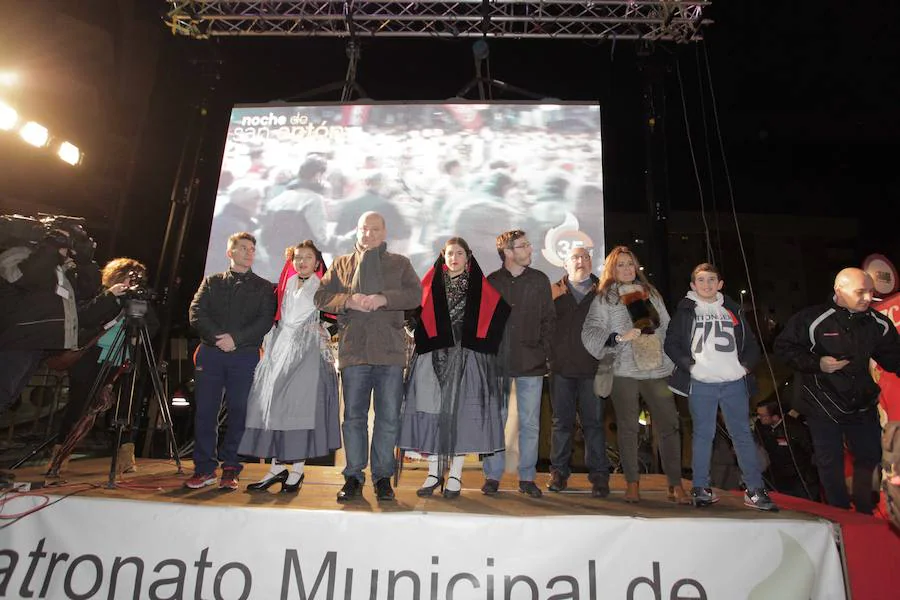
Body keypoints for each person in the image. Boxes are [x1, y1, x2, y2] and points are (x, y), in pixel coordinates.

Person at [314, 212, 421, 502]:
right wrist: (347, 301)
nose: (369, 234)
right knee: (353, 418)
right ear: (357, 231)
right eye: (364, 229)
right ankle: (353, 476)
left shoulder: (400, 264)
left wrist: (385, 299)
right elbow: (320, 297)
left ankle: (383, 477)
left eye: (375, 229)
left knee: (388, 419)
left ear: (384, 232)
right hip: (354, 352)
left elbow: (415, 295)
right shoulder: (341, 264)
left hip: (389, 352)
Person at [774, 267, 900, 514]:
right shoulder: (812, 319)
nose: (867, 298)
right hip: (822, 404)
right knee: (829, 462)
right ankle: (838, 513)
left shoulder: (877, 323)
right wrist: (817, 363)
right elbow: (783, 347)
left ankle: (864, 512)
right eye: (860, 292)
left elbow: (893, 358)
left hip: (860, 403)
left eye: (871, 292)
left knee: (871, 457)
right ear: (839, 291)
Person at [398, 237, 509, 499]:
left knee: (459, 415)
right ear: (443, 255)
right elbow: (412, 313)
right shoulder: (429, 284)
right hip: (432, 358)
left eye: (459, 253)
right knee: (434, 414)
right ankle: (434, 473)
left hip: (467, 359)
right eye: (450, 253)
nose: (454, 258)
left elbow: (498, 313)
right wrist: (416, 330)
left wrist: (475, 340)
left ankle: (456, 475)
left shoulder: (479, 287)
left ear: (468, 256)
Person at [664, 263, 777, 511]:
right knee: (704, 435)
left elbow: (751, 343)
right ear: (693, 285)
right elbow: (671, 344)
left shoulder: (732, 309)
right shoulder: (685, 310)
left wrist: (744, 368)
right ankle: (701, 487)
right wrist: (691, 367)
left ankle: (755, 489)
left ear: (720, 284)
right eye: (701, 280)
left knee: (742, 434)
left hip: (733, 382)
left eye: (711, 279)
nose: (707, 284)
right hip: (702, 382)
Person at [581, 246, 688, 504]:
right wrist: (618, 338)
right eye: (621, 265)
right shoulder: (605, 297)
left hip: (656, 370)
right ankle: (632, 482)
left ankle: (675, 484)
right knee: (628, 428)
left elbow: (669, 328)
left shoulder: (651, 293)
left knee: (670, 424)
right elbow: (590, 332)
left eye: (630, 264)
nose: (627, 269)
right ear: (612, 269)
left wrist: (672, 360)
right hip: (623, 370)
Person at [238, 241, 341, 493]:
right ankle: (276, 467)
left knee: (300, 408)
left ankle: (297, 469)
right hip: (281, 347)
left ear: (317, 262)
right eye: (298, 258)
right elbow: (280, 316)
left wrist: (324, 327)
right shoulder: (288, 283)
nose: (302, 262)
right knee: (274, 406)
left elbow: (338, 314)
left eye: (308, 257)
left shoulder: (324, 285)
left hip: (307, 352)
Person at [49, 258, 158, 474]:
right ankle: (60, 455)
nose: (133, 281)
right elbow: (86, 318)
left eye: (137, 277)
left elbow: (153, 325)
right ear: (117, 276)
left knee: (127, 409)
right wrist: (112, 297)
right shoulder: (103, 295)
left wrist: (139, 335)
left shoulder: (137, 299)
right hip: (93, 357)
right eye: (129, 276)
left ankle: (125, 458)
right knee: (79, 407)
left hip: (124, 359)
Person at [186, 232, 276, 490]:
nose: (249, 253)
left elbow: (265, 320)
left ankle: (231, 468)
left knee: (239, 412)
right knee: (205, 413)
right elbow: (196, 312)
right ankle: (204, 469)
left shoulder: (263, 286)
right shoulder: (212, 282)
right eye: (244, 248)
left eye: (252, 249)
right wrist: (218, 339)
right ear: (230, 252)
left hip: (244, 355)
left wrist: (235, 339)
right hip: (211, 354)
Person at [481, 230, 555, 499]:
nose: (530, 249)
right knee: (494, 421)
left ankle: (527, 477)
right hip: (497, 365)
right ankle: (492, 475)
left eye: (528, 244)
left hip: (531, 363)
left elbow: (549, 321)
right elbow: (483, 325)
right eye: (524, 246)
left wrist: (543, 352)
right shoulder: (491, 282)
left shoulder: (539, 280)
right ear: (508, 252)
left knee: (531, 423)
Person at [547, 246, 612, 497]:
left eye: (586, 257)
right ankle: (559, 473)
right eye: (575, 257)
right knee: (561, 423)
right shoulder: (552, 291)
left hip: (593, 369)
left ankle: (599, 477)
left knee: (593, 424)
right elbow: (543, 325)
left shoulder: (604, 292)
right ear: (565, 264)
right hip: (561, 368)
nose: (581, 261)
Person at [755, 401, 820, 501]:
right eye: (758, 415)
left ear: (775, 417)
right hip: (778, 476)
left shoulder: (794, 428)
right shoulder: (760, 427)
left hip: (800, 476)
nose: (759, 418)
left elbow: (809, 450)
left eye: (763, 415)